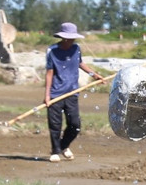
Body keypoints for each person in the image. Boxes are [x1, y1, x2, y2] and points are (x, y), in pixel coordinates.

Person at [44, 22, 105, 162]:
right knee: (55, 125)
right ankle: (55, 151)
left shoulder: (76, 48)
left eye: (72, 38)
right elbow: (49, 72)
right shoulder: (52, 51)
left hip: (72, 92)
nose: (71, 41)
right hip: (55, 93)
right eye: (68, 38)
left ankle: (63, 146)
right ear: (62, 38)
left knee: (75, 125)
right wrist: (47, 95)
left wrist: (94, 75)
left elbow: (80, 63)